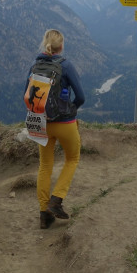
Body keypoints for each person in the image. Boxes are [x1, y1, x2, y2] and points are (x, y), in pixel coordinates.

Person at [27, 29, 85, 229]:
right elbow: (81, 97)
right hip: (64, 124)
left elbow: (26, 94)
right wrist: (70, 110)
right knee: (72, 158)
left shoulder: (35, 65)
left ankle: (44, 215)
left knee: (45, 166)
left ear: (45, 45)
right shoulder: (66, 65)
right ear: (62, 46)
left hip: (41, 122)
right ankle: (57, 200)